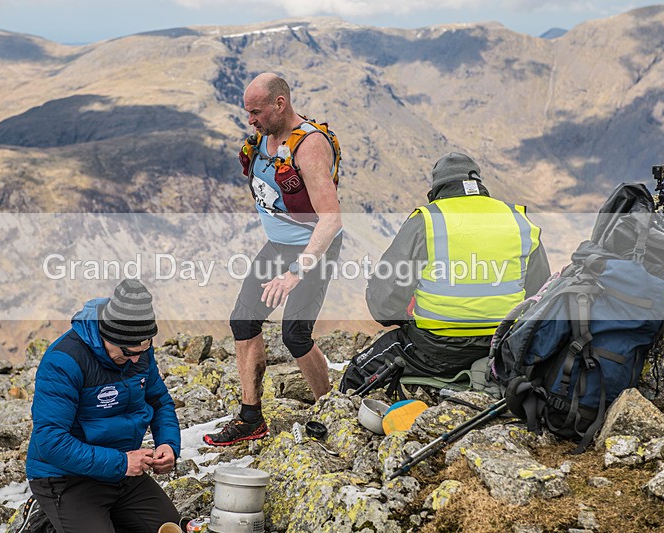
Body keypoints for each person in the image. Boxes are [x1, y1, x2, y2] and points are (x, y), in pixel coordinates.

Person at [204, 73, 343, 446]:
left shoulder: (309, 147)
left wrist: (298, 271)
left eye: (256, 111)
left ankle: (329, 409)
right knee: (243, 321)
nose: (250, 120)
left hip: (314, 248)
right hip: (279, 246)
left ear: (280, 104)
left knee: (295, 334)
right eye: (248, 112)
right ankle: (251, 419)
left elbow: (331, 218)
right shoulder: (264, 139)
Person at [366, 152, 551, 377]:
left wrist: (403, 321)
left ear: (436, 190)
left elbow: (384, 302)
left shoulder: (427, 219)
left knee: (357, 373)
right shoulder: (518, 219)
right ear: (478, 183)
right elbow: (541, 294)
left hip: (436, 350)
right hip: (503, 348)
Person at [24, 279, 182, 533]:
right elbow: (50, 441)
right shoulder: (64, 361)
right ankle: (48, 517)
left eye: (144, 349)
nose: (136, 359)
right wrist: (121, 462)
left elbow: (159, 400)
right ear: (108, 336)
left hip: (122, 471)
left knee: (170, 528)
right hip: (66, 478)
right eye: (129, 351)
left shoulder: (138, 349)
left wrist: (168, 444)